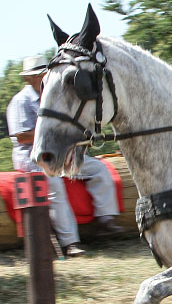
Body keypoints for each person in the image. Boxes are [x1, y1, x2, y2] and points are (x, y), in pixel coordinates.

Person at [6, 54, 123, 257]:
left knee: (99, 169)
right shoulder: (20, 101)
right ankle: (70, 243)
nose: (44, 76)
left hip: (61, 152)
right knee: (56, 186)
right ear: (28, 78)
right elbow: (21, 137)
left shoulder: (51, 96)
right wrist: (53, 131)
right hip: (33, 157)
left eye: (45, 72)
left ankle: (105, 219)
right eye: (39, 73)